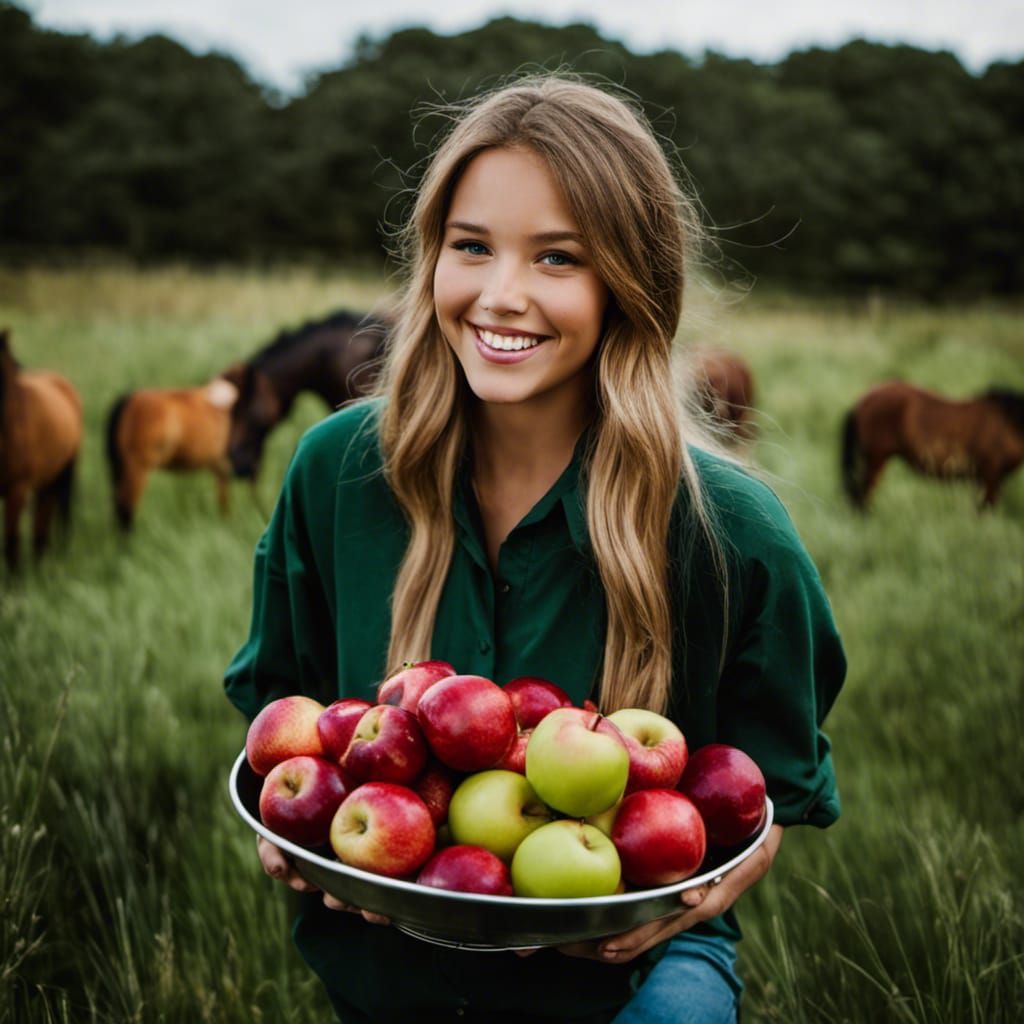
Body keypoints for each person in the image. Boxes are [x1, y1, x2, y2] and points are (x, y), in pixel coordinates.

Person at [224, 75, 845, 1024]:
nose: (500, 295)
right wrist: (300, 837)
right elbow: (285, 719)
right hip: (388, 972)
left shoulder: (731, 531)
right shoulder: (335, 473)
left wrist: (711, 884)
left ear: (629, 283)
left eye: (557, 257)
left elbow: (763, 798)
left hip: (629, 975)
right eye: (471, 246)